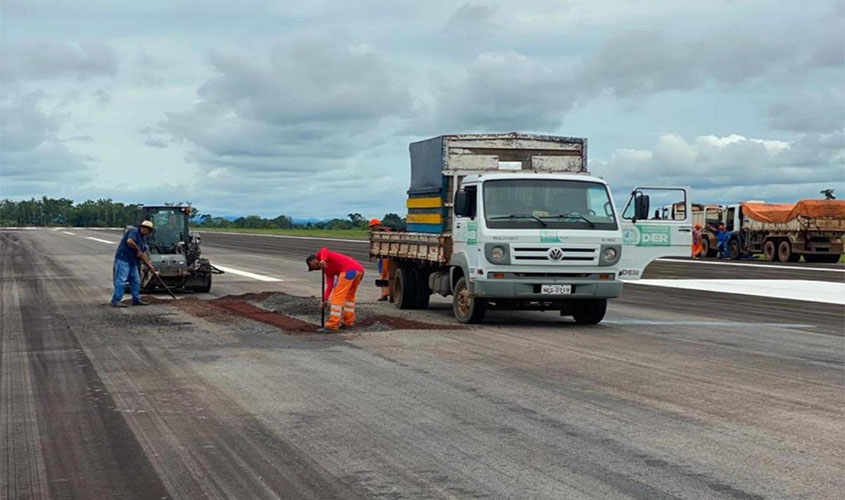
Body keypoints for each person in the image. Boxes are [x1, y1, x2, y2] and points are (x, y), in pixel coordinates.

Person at [306, 248, 365, 333]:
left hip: (349, 270)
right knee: (349, 297)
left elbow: (324, 249)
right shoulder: (327, 271)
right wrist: (325, 299)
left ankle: (332, 325)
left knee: (337, 297)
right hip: (358, 271)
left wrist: (323, 259)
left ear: (312, 261)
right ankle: (348, 322)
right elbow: (329, 285)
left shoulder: (320, 255)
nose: (315, 269)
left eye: (312, 267)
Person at [112, 220, 158, 307]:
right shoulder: (134, 231)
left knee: (136, 281)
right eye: (146, 230)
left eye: (149, 231)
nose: (147, 232)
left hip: (133, 262)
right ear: (143, 228)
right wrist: (138, 250)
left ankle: (136, 299)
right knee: (121, 280)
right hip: (123, 259)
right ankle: (116, 300)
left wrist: (150, 266)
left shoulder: (143, 239)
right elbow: (130, 241)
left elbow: (143, 254)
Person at [369, 218, 391, 301]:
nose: (372, 228)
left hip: (385, 258)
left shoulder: (383, 234)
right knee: (382, 276)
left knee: (384, 276)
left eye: (373, 226)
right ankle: (384, 294)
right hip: (382, 258)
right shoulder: (379, 233)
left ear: (377, 225)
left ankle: (385, 294)